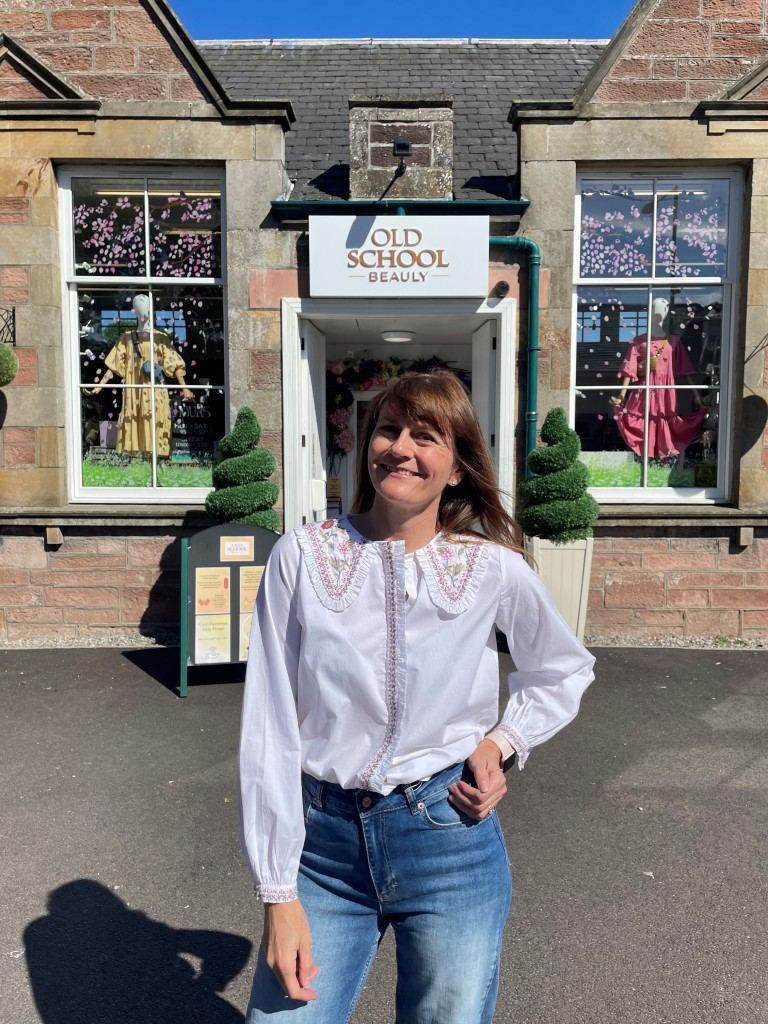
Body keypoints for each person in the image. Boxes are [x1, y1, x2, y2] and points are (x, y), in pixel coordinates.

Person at [240, 369, 595, 1024]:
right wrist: (276, 890)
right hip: (320, 851)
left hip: (449, 840)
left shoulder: (491, 568)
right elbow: (268, 724)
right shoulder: (302, 556)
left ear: (457, 467)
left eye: (425, 435)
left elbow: (563, 669)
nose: (400, 447)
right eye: (388, 430)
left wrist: (502, 743)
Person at [84, 293, 194, 457]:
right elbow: (113, 366)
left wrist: (185, 389)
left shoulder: (160, 337)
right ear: (134, 312)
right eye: (138, 309)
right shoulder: (126, 338)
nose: (142, 313)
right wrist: (99, 387)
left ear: (150, 310)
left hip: (154, 390)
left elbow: (174, 363)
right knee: (135, 419)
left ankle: (156, 460)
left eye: (143, 309)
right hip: (134, 390)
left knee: (154, 419)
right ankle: (137, 461)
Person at [609, 297, 704, 461]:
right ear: (651, 313)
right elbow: (629, 369)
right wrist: (621, 396)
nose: (659, 313)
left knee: (665, 420)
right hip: (644, 388)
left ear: (666, 313)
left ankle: (663, 462)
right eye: (655, 310)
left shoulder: (673, 342)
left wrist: (696, 395)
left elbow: (685, 371)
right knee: (641, 422)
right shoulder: (639, 341)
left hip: (666, 389)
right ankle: (643, 463)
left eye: (662, 310)